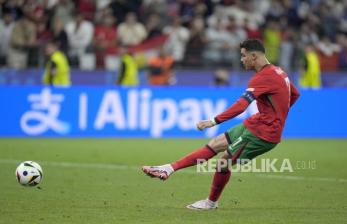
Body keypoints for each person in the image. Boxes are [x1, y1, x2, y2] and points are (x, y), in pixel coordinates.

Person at [142, 39, 300, 210]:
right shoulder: (279, 71)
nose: (241, 60)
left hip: (264, 133)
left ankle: (210, 203)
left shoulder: (262, 77)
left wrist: (213, 121)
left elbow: (241, 105)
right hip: (259, 122)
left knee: (223, 162)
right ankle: (169, 168)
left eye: (243, 55)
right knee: (216, 143)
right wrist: (276, 114)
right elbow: (295, 94)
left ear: (254, 56)